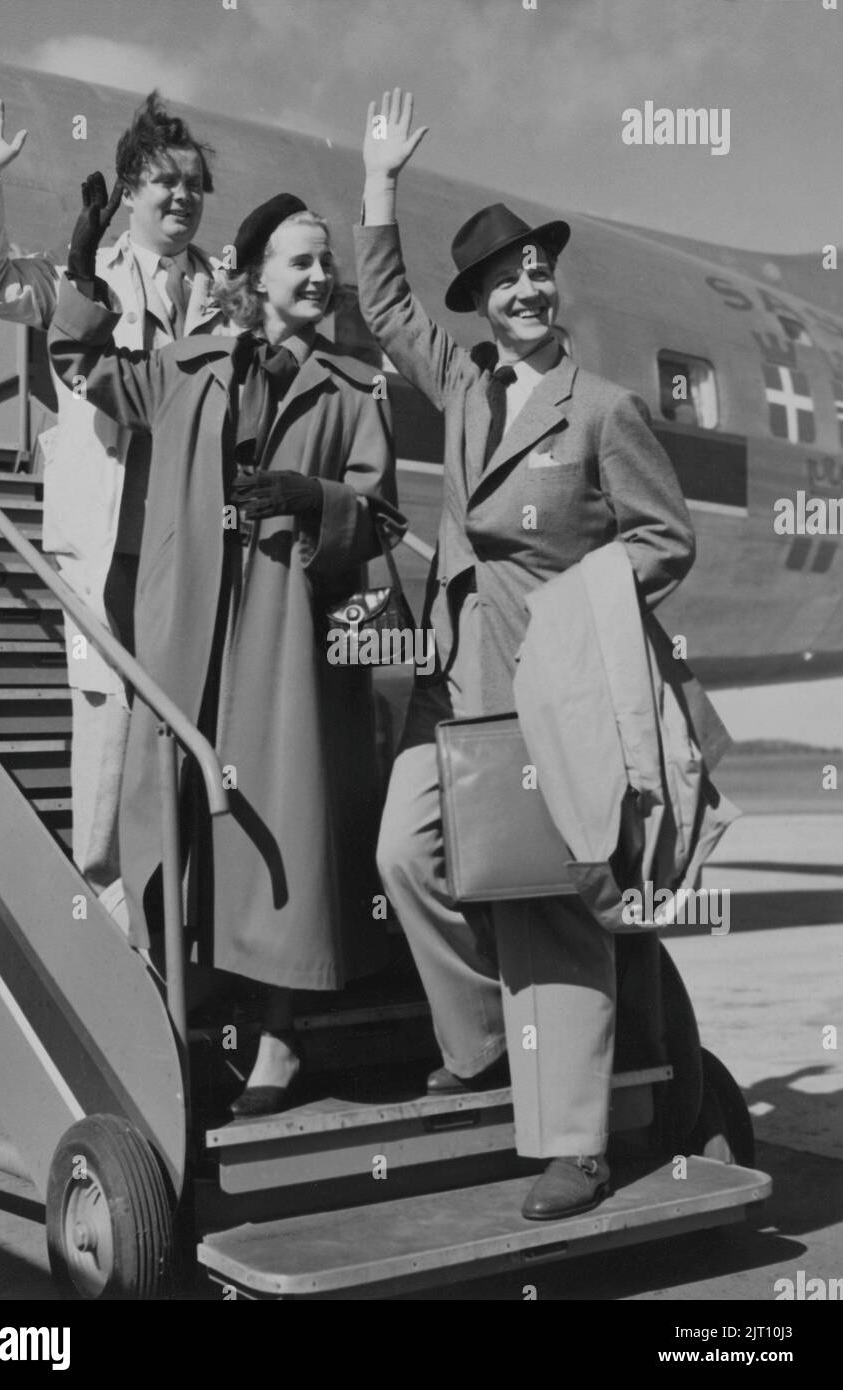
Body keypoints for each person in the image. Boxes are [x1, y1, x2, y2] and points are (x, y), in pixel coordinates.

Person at [356, 91, 696, 1219]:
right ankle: (488, 1041)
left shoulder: (603, 410)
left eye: (537, 271)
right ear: (486, 306)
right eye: (504, 282)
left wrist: (583, 613)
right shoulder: (463, 389)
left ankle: (574, 1144)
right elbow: (386, 302)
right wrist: (379, 185)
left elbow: (665, 539)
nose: (526, 289)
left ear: (554, 284)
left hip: (557, 689)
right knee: (408, 853)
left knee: (548, 906)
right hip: (459, 677)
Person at [48, 190, 404, 1111]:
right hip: (189, 641)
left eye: (327, 262)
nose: (322, 276)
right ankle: (182, 1027)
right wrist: (83, 271)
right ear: (254, 278)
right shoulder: (183, 366)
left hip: (286, 644)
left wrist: (316, 502)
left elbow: (383, 516)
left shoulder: (357, 388)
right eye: (302, 262)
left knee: (280, 831)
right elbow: (85, 367)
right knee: (179, 827)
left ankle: (281, 1040)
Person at [0, 91, 231, 896]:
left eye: (194, 184)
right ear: (129, 190)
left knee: (189, 735)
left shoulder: (224, 290)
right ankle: (109, 921)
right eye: (164, 182)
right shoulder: (84, 274)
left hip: (197, 546)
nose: (182, 197)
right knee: (107, 732)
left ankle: (186, 924)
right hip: (107, 547)